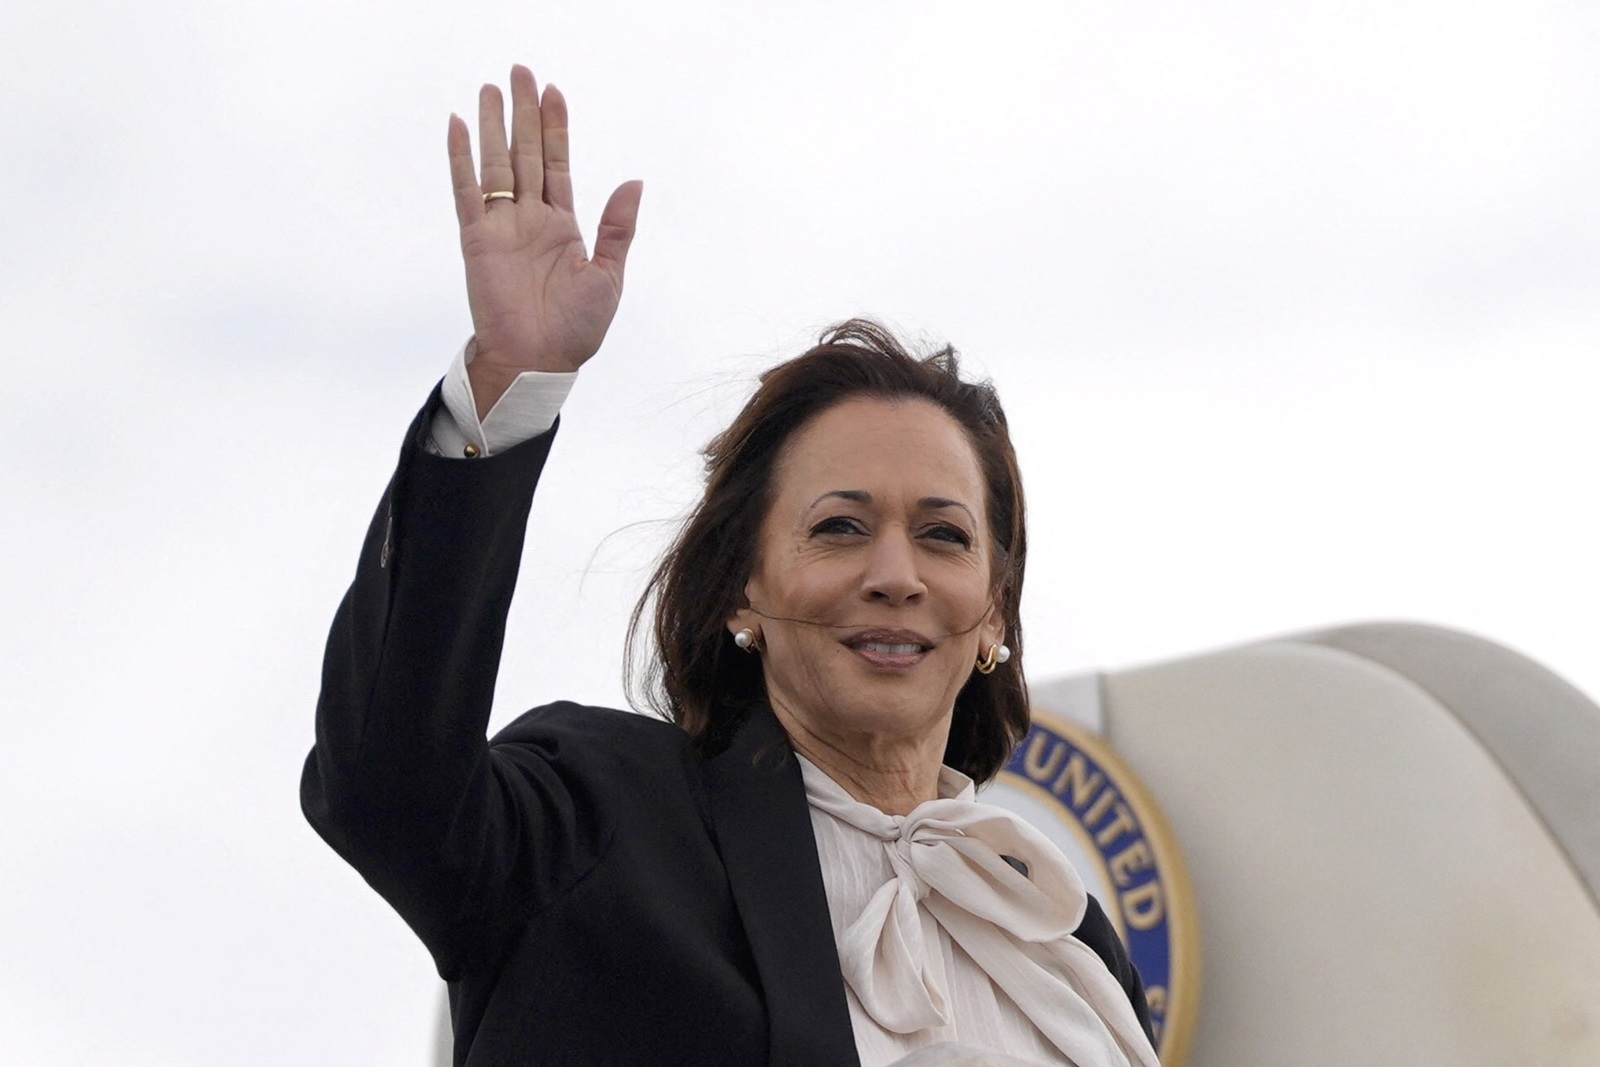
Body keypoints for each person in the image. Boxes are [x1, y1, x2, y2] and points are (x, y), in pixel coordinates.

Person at [301, 65, 1160, 1067]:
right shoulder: (605, 819)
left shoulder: (1066, 934)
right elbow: (385, 788)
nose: (895, 572)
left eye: (944, 533)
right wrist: (509, 385)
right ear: (744, 590)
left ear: (995, 611)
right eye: (839, 526)